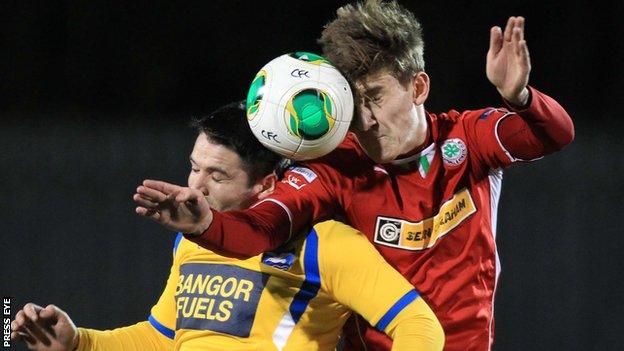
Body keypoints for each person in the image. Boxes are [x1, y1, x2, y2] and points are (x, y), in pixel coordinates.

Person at [134, 1, 575, 350]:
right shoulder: (333, 168)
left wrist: (519, 95)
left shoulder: (467, 141)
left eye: (376, 97)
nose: (363, 118)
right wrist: (206, 225)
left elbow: (554, 134)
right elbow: (264, 227)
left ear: (418, 87)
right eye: (353, 100)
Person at [12, 102, 444, 351]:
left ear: (266, 185)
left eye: (216, 176)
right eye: (193, 167)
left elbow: (420, 326)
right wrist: (78, 343)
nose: (193, 187)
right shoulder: (191, 241)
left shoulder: (323, 243)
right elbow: (163, 338)